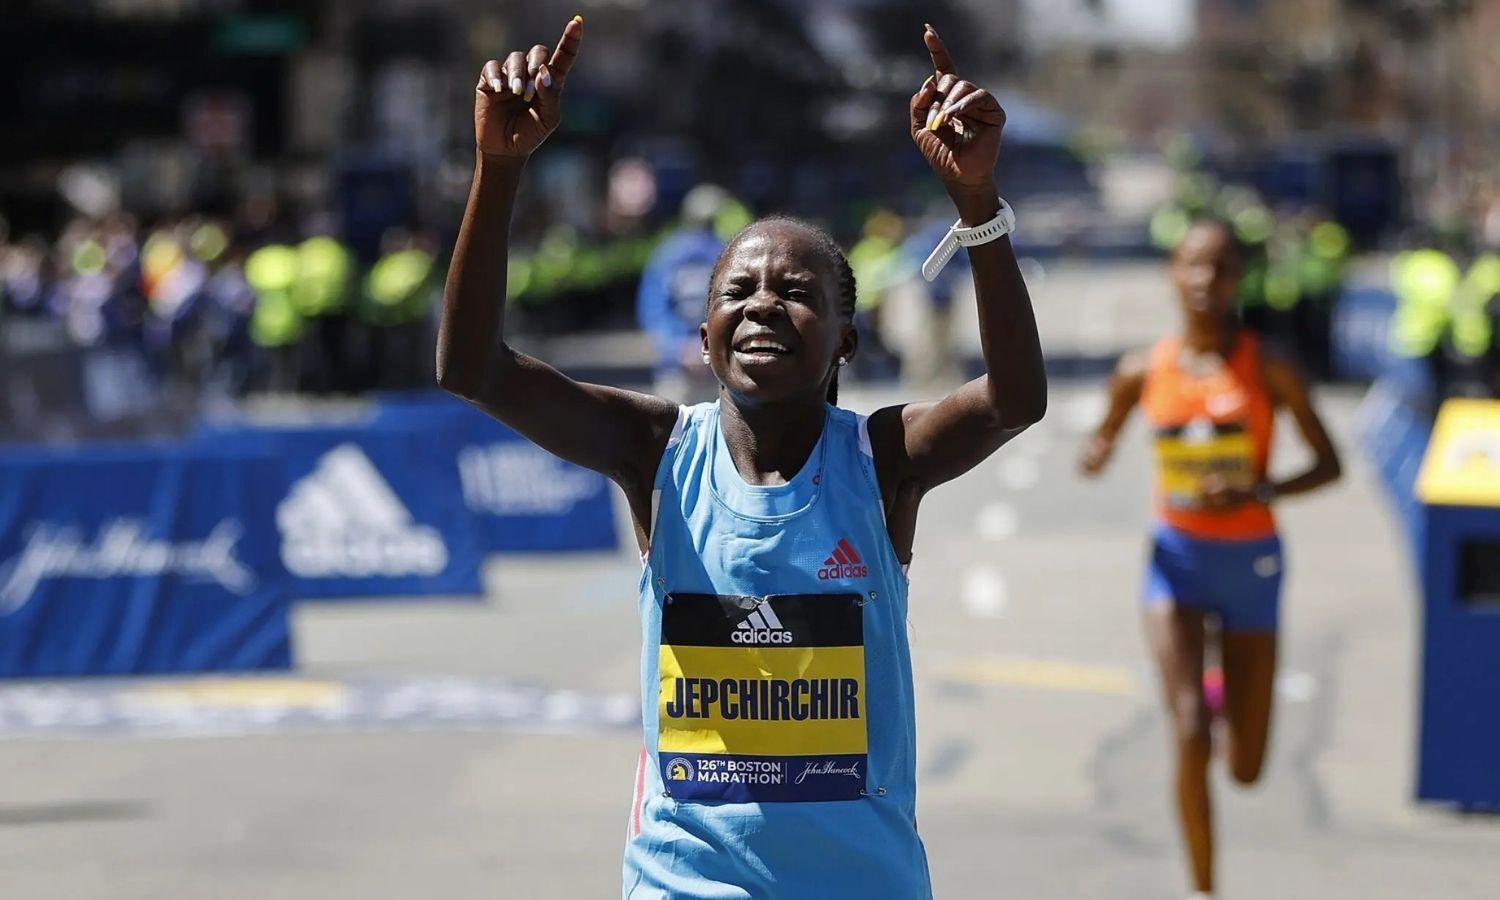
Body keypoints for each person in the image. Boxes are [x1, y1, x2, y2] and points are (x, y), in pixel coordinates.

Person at [437, 18, 1045, 899]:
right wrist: (498, 170)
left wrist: (978, 205)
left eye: (797, 293)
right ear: (706, 333)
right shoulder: (654, 452)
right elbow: (472, 369)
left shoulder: (880, 462)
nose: (763, 305)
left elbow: (1014, 398)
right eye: (740, 291)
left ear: (846, 340)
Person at [1078, 220, 1342, 900]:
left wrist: (1258, 488)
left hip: (1252, 565)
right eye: (1192, 266)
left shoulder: (1268, 364)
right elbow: (1098, 443)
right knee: (1189, 730)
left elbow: (1329, 464)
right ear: (1172, 272)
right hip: (1177, 564)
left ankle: (1225, 691)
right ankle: (1204, 889)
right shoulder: (1142, 370)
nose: (1204, 282)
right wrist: (1096, 451)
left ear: (1238, 280)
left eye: (1220, 268)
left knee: (1246, 767)